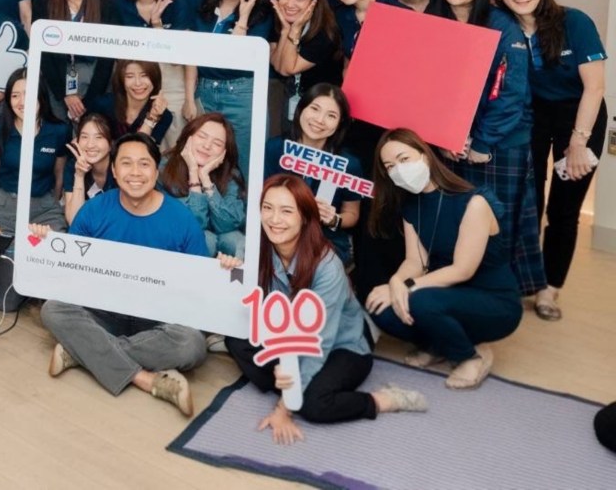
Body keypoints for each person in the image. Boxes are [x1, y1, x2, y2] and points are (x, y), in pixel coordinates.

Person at [218, 176, 427, 445]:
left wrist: (284, 408)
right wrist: (230, 269)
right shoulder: (255, 248)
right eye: (267, 208)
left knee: (312, 404)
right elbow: (243, 297)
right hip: (287, 335)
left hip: (341, 343)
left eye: (286, 211)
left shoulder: (328, 267)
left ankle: (382, 400)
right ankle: (292, 379)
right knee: (236, 339)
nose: (274, 219)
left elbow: (318, 342)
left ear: (306, 217)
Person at [39, 132, 209, 416]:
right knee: (53, 309)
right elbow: (70, 272)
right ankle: (147, 379)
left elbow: (200, 285)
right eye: (126, 164)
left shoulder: (182, 219)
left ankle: (81, 352)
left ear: (156, 171)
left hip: (158, 318)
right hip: (105, 311)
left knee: (192, 344)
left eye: (144, 164)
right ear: (115, 172)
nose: (135, 173)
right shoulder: (93, 211)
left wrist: (224, 268)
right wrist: (43, 243)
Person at [428, 0, 546, 299]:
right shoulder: (435, 20)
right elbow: (428, 87)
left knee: (496, 225)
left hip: (498, 144)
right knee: (452, 220)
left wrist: (481, 142)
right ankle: (454, 292)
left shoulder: (502, 25)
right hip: (449, 143)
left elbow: (509, 94)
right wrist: (444, 135)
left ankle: (496, 299)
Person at [495, 0, 606, 321]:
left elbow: (594, 88)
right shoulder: (502, 27)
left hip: (580, 115)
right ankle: (523, 278)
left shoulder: (574, 21)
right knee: (529, 200)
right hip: (532, 115)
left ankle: (550, 288)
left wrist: (578, 143)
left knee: (564, 209)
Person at [367, 129, 522, 389]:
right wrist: (395, 282)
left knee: (419, 301)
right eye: (390, 166)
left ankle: (470, 356)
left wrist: (406, 287)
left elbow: (462, 270)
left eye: (404, 159)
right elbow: (415, 262)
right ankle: (439, 344)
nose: (398, 170)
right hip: (447, 294)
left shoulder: (474, 202)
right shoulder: (411, 206)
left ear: (425, 156)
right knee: (379, 306)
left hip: (494, 300)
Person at [192, 0, 273, 174]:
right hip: (204, 92)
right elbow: (189, 52)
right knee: (203, 163)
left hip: (241, 95)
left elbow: (239, 59)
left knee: (246, 166)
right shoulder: (200, 2)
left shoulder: (261, 13)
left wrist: (243, 17)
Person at [265, 83, 363, 263]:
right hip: (277, 232)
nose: (320, 120)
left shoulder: (348, 164)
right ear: (300, 109)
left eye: (331, 115)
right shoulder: (275, 148)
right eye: (315, 109)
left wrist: (334, 219)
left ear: (340, 123)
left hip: (324, 240)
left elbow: (352, 213)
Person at [36, 0, 117, 122]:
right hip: (56, 79)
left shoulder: (105, 4)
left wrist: (89, 99)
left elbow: (107, 58)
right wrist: (63, 94)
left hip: (95, 80)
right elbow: (43, 53)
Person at [120, 0, 192, 144]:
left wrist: (157, 26)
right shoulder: (118, 5)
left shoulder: (177, 5)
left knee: (174, 150)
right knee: (137, 147)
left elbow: (181, 59)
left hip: (172, 87)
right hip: (133, 89)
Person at [0, 69, 67, 233]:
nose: (22, 102)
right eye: (15, 95)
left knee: (51, 245)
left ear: (41, 96)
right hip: (4, 206)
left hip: (45, 209)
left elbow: (59, 171)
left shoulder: (58, 130)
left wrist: (52, 199)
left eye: (28, 93)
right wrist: (6, 182)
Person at [160, 114, 246, 256]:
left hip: (222, 234)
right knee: (207, 239)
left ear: (225, 151)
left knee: (236, 240)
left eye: (217, 143)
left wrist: (205, 178)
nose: (207, 146)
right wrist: (193, 174)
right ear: (188, 137)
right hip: (178, 238)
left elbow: (228, 224)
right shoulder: (164, 166)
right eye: (202, 136)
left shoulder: (231, 173)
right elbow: (192, 224)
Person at [269, 0, 344, 126]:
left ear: (314, 2)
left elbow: (288, 69)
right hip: (292, 95)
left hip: (322, 104)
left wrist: (294, 31)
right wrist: (285, 31)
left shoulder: (326, 33)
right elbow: (278, 65)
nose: (290, 4)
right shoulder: (280, 21)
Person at [88, 59, 172, 142]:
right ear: (121, 80)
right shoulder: (102, 105)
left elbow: (141, 148)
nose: (138, 83)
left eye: (144, 75)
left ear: (155, 77)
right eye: (130, 76)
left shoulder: (164, 115)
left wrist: (152, 118)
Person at [61, 112, 115, 224]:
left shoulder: (121, 167)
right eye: (84, 137)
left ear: (111, 144)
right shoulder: (73, 166)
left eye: (99, 137)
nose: (90, 145)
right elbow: (73, 221)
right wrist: (79, 175)